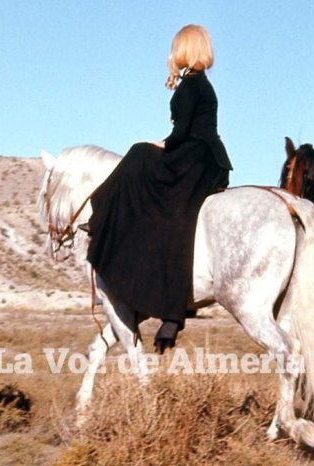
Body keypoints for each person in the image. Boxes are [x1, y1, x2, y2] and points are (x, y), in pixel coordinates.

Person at [85, 23, 233, 353]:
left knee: (139, 153)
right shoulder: (198, 84)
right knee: (156, 190)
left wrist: (161, 143)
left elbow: (181, 133)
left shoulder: (192, 86)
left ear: (185, 49)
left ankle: (100, 214)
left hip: (193, 157)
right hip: (204, 158)